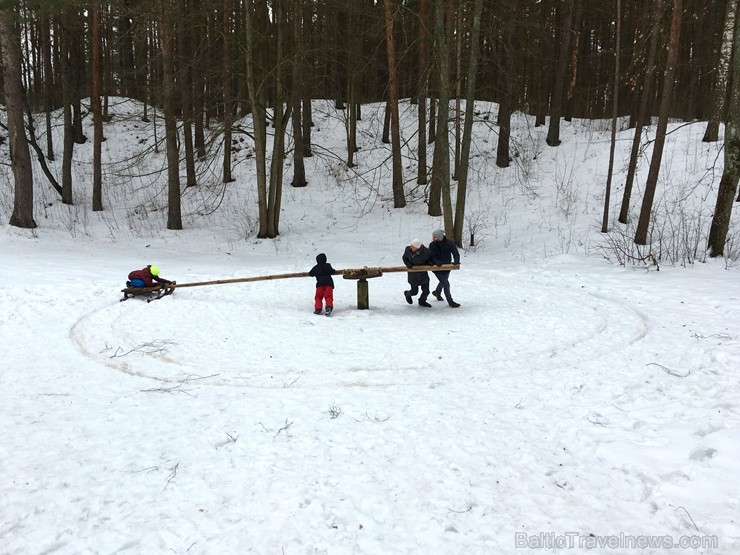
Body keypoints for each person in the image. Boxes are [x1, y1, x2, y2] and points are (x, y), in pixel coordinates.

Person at [429, 229, 461, 308]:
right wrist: (436, 262)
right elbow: (430, 256)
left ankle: (437, 292)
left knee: (443, 281)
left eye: (435, 237)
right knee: (446, 283)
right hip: (436, 268)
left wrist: (456, 261)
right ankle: (450, 301)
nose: (433, 238)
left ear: (439, 237)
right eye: (433, 237)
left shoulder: (449, 243)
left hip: (447, 266)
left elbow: (455, 253)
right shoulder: (432, 245)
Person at [402, 238, 434, 308]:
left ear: (417, 247)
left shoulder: (426, 252)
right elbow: (404, 258)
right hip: (413, 275)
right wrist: (408, 264)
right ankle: (407, 294)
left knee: (426, 291)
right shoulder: (408, 250)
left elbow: (429, 259)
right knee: (414, 292)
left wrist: (430, 263)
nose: (411, 247)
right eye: (411, 245)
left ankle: (422, 301)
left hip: (423, 274)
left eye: (412, 246)